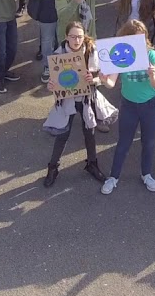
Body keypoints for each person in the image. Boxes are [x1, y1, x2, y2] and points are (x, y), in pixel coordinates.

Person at [99, 20, 155, 195]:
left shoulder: (152, 55)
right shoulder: (121, 55)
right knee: (123, 143)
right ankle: (113, 177)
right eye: (134, 40)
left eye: (141, 39)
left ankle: (146, 174)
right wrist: (104, 80)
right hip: (129, 106)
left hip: (150, 105)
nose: (138, 44)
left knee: (148, 143)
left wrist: (152, 75)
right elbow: (111, 82)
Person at [42, 21, 107, 187]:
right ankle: (52, 167)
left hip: (86, 98)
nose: (77, 40)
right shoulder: (59, 54)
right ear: (66, 37)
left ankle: (92, 164)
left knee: (89, 133)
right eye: (73, 37)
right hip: (68, 100)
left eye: (80, 37)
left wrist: (94, 80)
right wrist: (51, 86)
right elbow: (54, 82)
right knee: (62, 134)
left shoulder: (92, 51)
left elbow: (102, 76)